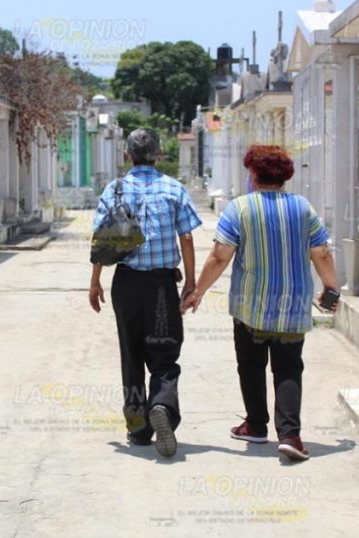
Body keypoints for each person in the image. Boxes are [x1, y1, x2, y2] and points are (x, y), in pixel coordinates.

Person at [182, 145, 339, 462]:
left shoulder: (239, 209)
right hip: (293, 307)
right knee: (288, 368)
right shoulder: (303, 208)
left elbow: (219, 257)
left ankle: (255, 425)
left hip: (250, 307)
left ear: (254, 174)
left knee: (251, 366)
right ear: (285, 176)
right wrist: (331, 289)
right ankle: (291, 435)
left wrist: (197, 290)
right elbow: (321, 252)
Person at [89, 128, 203, 458]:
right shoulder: (173, 188)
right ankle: (163, 408)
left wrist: (95, 281)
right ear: (159, 155)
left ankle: (138, 429)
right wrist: (191, 284)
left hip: (125, 284)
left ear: (127, 155)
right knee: (164, 355)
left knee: (131, 354)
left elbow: (101, 238)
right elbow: (187, 239)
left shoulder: (115, 188)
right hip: (161, 286)